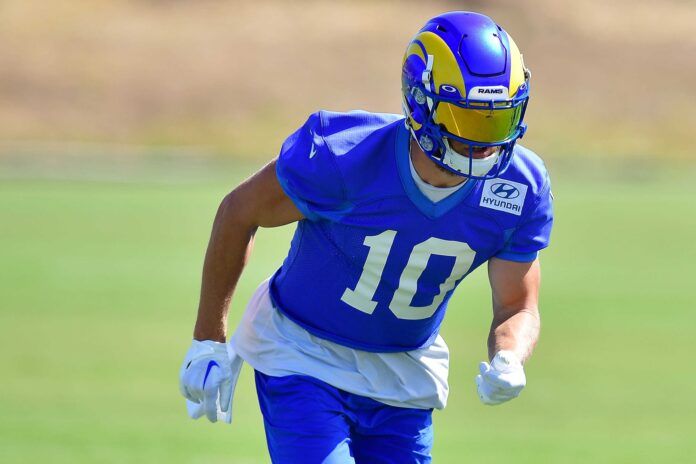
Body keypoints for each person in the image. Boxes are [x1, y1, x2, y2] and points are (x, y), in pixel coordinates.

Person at [179, 10, 553, 464]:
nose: (487, 144)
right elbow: (239, 213)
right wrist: (208, 339)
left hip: (404, 374)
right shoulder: (344, 155)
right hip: (304, 355)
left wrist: (510, 355)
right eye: (469, 122)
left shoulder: (519, 188)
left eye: (498, 121)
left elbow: (517, 304)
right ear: (421, 105)